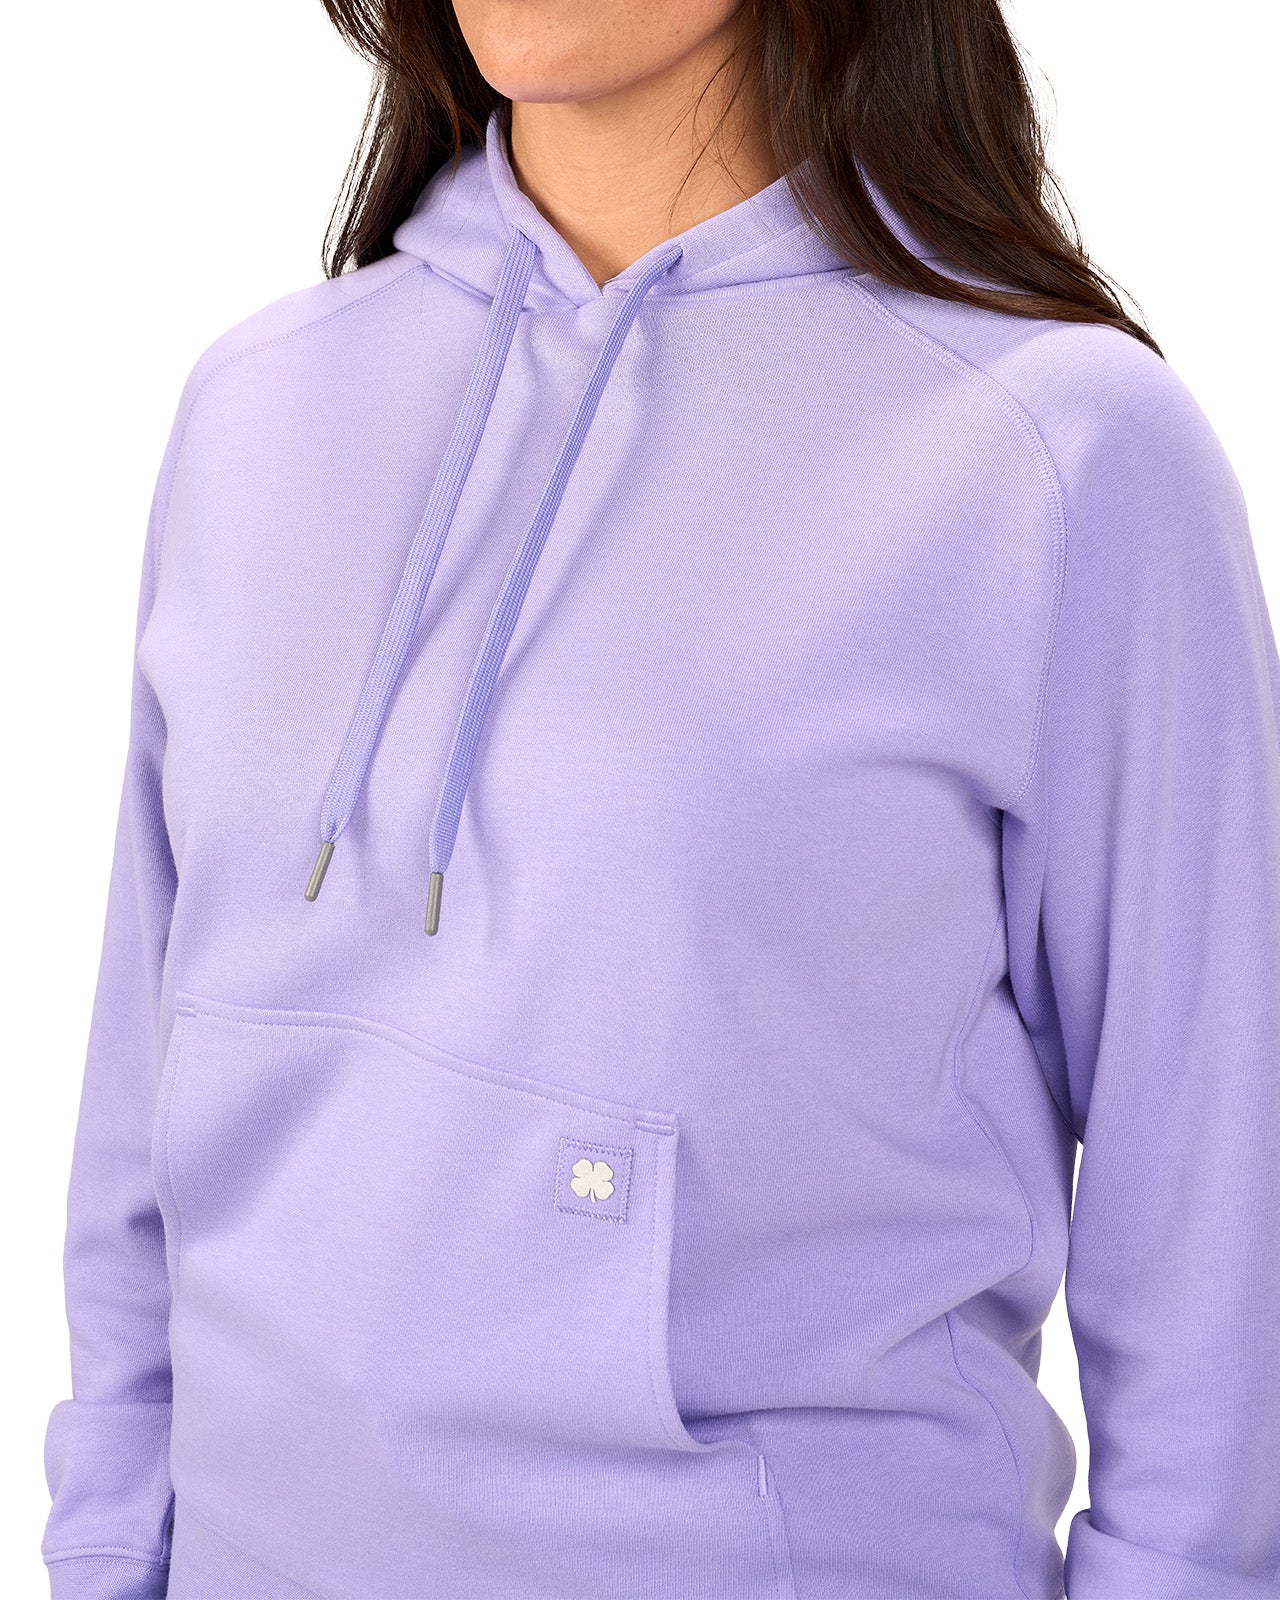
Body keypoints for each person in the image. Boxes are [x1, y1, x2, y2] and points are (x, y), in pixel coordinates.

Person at [41, 1, 1280, 1597]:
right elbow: (146, 1102)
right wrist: (106, 1550)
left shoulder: (1055, 451)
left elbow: (1214, 1190)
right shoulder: (258, 403)